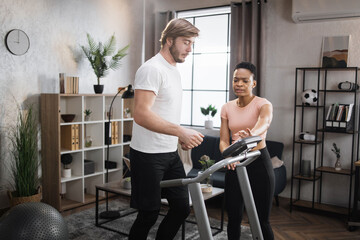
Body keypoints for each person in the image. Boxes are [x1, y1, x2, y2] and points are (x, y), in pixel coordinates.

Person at [128, 18, 204, 240]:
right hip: (147, 155)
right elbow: (141, 114)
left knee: (181, 208)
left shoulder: (173, 70)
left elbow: (164, 112)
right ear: (169, 40)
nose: (189, 49)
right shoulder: (151, 69)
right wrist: (181, 131)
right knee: (149, 214)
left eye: (192, 44)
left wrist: (177, 136)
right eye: (185, 42)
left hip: (170, 153)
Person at [219, 62, 274, 240]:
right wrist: (229, 155)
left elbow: (264, 123)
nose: (239, 84)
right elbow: (223, 140)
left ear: (253, 83)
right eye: (236, 80)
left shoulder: (263, 104)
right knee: (233, 217)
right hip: (235, 163)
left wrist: (251, 135)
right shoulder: (227, 107)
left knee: (261, 219)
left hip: (258, 161)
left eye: (244, 80)